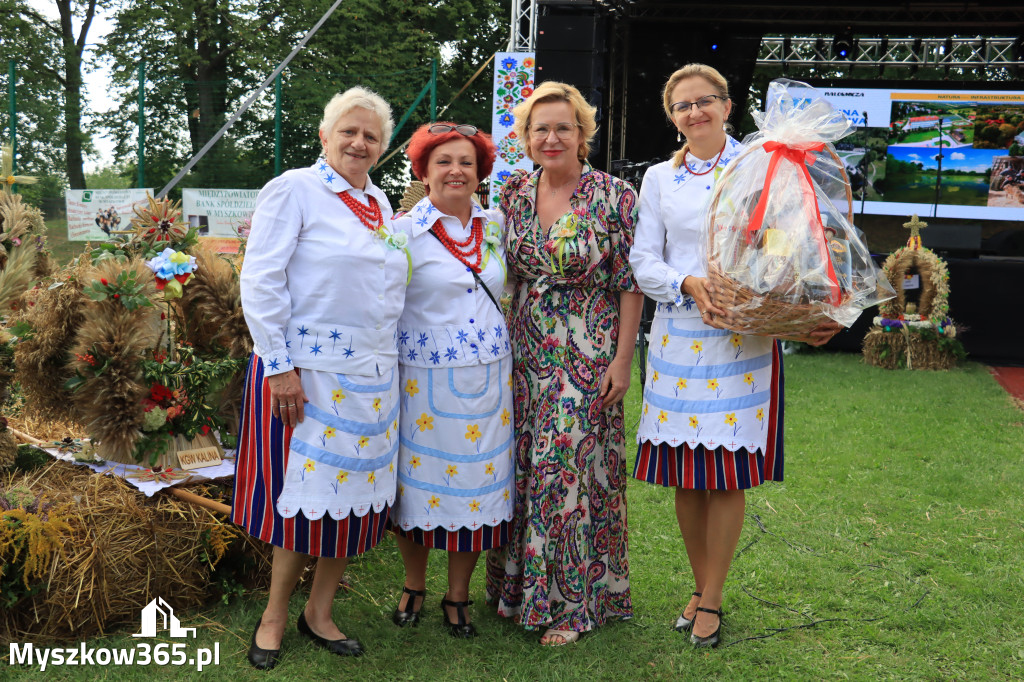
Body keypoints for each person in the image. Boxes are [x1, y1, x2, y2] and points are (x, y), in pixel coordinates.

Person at [628, 63, 840, 648]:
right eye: (682, 105)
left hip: (742, 340)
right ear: (672, 118)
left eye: (706, 101)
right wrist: (688, 284)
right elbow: (644, 259)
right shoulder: (657, 179)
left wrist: (798, 306)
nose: (695, 112)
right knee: (684, 475)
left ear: (727, 106)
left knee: (724, 473)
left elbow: (797, 251)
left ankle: (713, 598)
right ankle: (699, 588)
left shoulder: (764, 165)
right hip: (675, 336)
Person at [233, 86, 403, 669]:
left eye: (371, 136)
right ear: (325, 135)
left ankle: (319, 612)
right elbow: (260, 280)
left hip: (372, 377)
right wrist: (278, 367)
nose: (359, 142)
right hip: (306, 376)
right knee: (302, 504)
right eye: (349, 131)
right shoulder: (295, 190)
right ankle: (274, 615)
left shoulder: (381, 207)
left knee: (355, 499)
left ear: (382, 148)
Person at [487, 81, 644, 646]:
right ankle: (517, 589)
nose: (551, 137)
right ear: (526, 139)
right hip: (524, 350)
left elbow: (630, 284)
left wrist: (623, 362)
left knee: (570, 468)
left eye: (563, 127)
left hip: (588, 349)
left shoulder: (615, 195)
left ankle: (572, 605)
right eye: (540, 128)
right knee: (525, 463)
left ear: (583, 134)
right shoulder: (511, 193)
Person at [387, 122, 513, 638]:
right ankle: (414, 583)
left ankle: (457, 595)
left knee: (478, 485)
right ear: (423, 170)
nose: (455, 170)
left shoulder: (500, 226)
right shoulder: (400, 231)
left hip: (490, 377)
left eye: (466, 161)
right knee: (416, 486)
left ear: (480, 172)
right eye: (443, 161)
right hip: (420, 380)